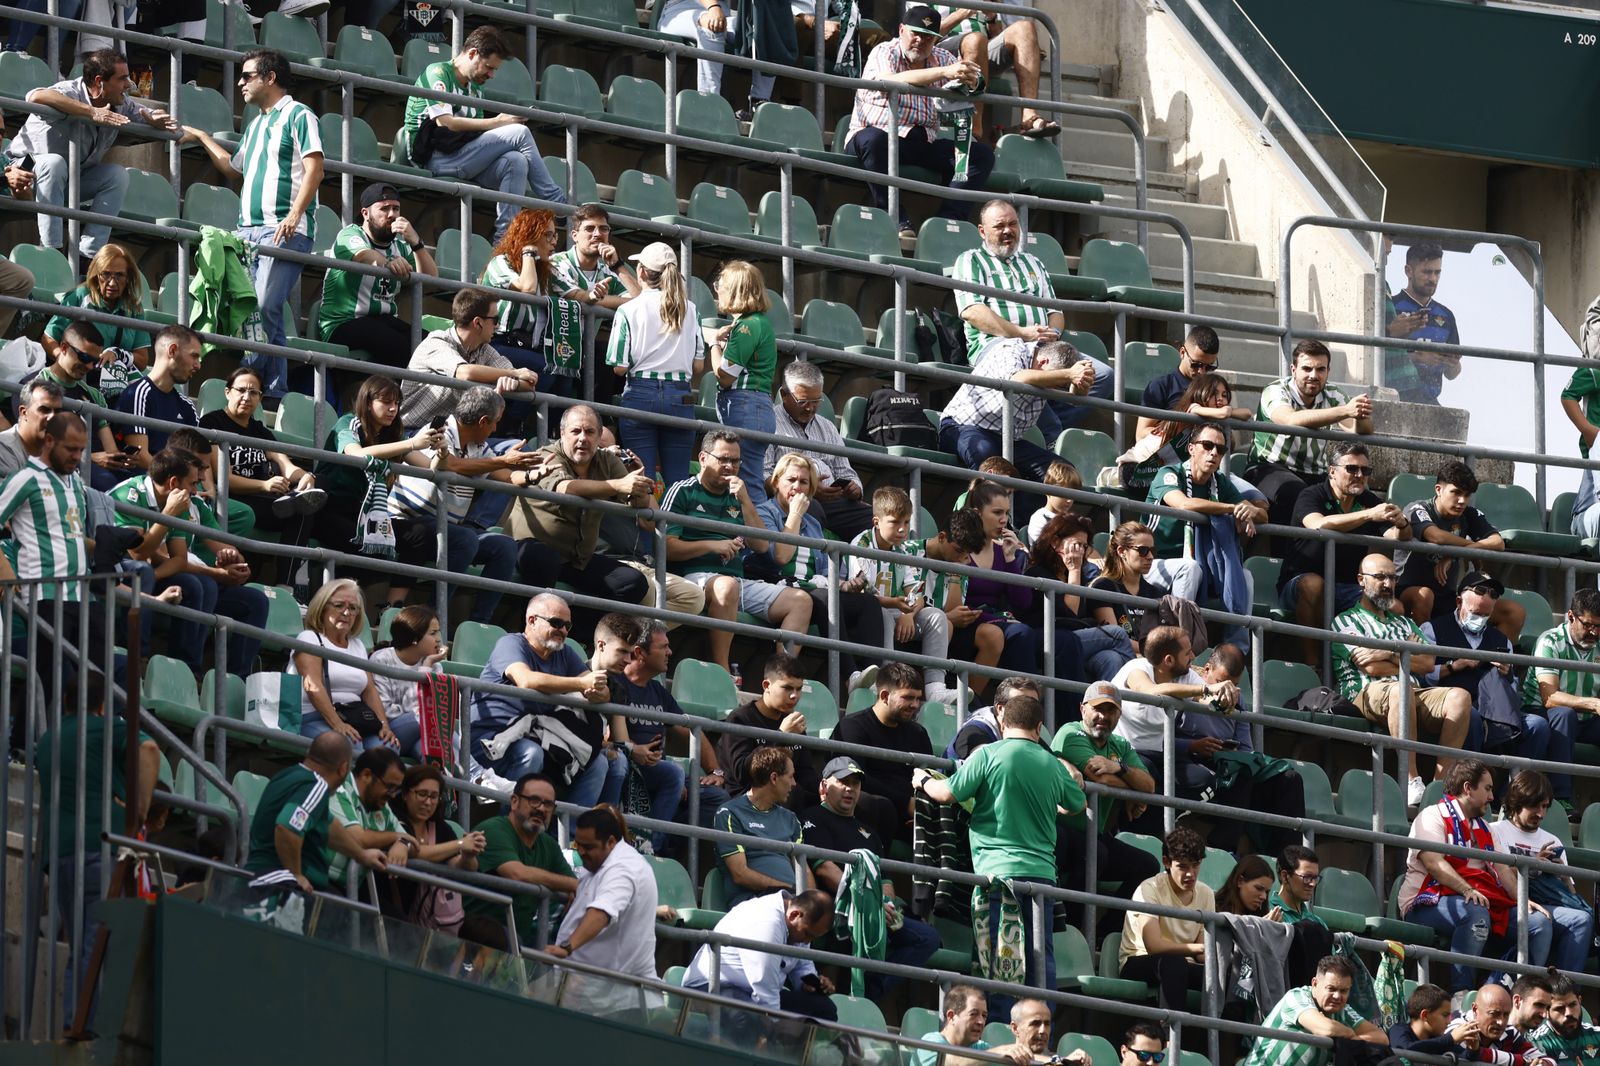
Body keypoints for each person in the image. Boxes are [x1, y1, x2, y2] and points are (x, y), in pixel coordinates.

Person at [916, 693, 1084, 1007]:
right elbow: (1077, 803)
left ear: (1001, 720)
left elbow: (946, 793)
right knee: (1039, 955)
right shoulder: (1051, 763)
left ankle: (998, 1029)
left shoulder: (988, 755)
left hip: (997, 876)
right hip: (1042, 877)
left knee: (998, 954)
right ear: (1039, 727)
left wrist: (922, 779)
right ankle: (1039, 1027)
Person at [180, 48, 323, 401]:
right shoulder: (256, 122)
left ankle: (259, 382)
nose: (240, 83)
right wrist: (201, 137)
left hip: (284, 228)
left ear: (270, 78)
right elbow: (234, 168)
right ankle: (270, 390)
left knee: (263, 305)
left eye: (247, 76)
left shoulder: (299, 115)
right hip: (248, 232)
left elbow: (315, 169)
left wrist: (294, 214)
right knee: (254, 309)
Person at [34, 671, 159, 1017]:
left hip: (59, 854)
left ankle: (78, 1022)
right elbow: (149, 749)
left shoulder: (49, 738)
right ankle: (88, 1030)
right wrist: (140, 810)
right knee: (99, 945)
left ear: (65, 702)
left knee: (83, 945)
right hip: (100, 847)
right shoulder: (104, 728)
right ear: (102, 705)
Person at [951, 200, 1111, 428]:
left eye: (1013, 224)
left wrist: (1052, 333)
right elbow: (973, 312)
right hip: (997, 348)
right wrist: (1021, 333)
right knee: (1037, 391)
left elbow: (1055, 312)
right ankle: (1048, 431)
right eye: (999, 226)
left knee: (1103, 375)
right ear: (982, 231)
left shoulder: (1033, 262)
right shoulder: (970, 260)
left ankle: (1048, 427)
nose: (1008, 231)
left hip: (1042, 347)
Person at [109, 446, 267, 677]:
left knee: (254, 600)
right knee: (178, 580)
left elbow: (179, 559)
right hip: (115, 570)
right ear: (174, 482)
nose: (197, 490)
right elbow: (138, 556)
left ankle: (235, 680)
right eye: (194, 483)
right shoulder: (129, 495)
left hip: (156, 572)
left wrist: (230, 564)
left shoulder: (181, 501)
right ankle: (160, 664)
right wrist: (168, 515)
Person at [6, 48, 176, 260]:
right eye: (122, 79)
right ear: (99, 81)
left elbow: (147, 115)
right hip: (23, 176)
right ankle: (52, 254)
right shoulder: (70, 90)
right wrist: (91, 112)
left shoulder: (120, 102)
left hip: (69, 181)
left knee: (117, 175)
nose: (128, 85)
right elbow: (36, 95)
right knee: (54, 163)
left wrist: (155, 119)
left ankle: (87, 257)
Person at [400, 25, 566, 241]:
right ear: (472, 54)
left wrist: (499, 128)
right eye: (489, 67)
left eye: (494, 70)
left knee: (516, 161)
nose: (491, 74)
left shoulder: (475, 88)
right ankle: (559, 205)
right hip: (434, 158)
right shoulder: (438, 73)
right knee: (519, 133)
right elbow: (445, 123)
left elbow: (474, 135)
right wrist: (499, 122)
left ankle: (505, 241)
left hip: (463, 157)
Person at [1332, 552, 1472, 804]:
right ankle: (1410, 781)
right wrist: (1405, 652)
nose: (1388, 584)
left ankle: (1441, 786)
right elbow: (1372, 669)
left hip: (1411, 691)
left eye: (1393, 578)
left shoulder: (1406, 624)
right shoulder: (1345, 621)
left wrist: (1387, 650)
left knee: (1460, 697)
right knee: (1400, 689)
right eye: (1380, 577)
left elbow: (1428, 663)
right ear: (1361, 580)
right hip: (1367, 692)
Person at [800, 756, 941, 999]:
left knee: (927, 938)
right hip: (837, 909)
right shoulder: (812, 818)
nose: (849, 789)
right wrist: (869, 902)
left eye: (855, 783)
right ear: (824, 787)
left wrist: (885, 905)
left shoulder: (868, 832)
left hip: (874, 911)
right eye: (843, 782)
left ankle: (872, 989)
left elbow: (885, 880)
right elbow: (825, 869)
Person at [385, 386, 528, 625]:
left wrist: (534, 474)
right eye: (495, 423)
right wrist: (500, 461)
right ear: (483, 421)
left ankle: (481, 624)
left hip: (446, 532)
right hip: (407, 524)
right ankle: (433, 614)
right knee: (466, 539)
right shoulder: (438, 430)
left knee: (505, 547)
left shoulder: (478, 446)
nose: (495, 429)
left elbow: (505, 475)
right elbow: (449, 465)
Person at [845, 7, 994, 233]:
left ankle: (948, 222)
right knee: (873, 140)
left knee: (979, 155)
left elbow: (967, 86)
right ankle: (895, 217)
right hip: (877, 136)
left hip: (923, 141)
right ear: (901, 30)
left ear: (936, 39)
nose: (919, 40)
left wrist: (972, 82)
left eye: (927, 37)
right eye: (914, 33)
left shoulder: (943, 58)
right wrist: (943, 73)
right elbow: (892, 81)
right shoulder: (884, 51)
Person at [467, 593, 620, 805]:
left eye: (568, 626)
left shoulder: (564, 653)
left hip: (538, 736)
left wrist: (598, 690)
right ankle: (513, 828)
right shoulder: (511, 643)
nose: (563, 631)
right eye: (556, 623)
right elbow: (527, 681)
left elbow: (599, 689)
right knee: (532, 753)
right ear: (532, 621)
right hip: (492, 739)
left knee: (599, 765)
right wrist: (582, 684)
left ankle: (571, 836)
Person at [753, 452, 886, 689]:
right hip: (780, 588)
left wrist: (845, 585)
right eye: (791, 480)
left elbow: (825, 571)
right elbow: (779, 558)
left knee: (868, 604)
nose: (797, 487)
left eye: (804, 482)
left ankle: (875, 678)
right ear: (775, 482)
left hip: (816, 590)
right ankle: (851, 676)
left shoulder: (813, 523)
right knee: (827, 598)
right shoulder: (765, 512)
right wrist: (794, 515)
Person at [508, 404, 655, 615]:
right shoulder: (547, 455)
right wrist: (616, 485)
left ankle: (581, 636)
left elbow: (640, 508)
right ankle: (533, 630)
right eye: (576, 431)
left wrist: (639, 490)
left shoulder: (608, 461)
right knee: (543, 557)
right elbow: (565, 489)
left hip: (577, 558)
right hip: (529, 548)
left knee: (633, 583)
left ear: (598, 437)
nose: (583, 438)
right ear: (562, 433)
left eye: (590, 432)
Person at [308, 375, 444, 598]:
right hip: (331, 508)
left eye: (397, 404)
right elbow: (356, 453)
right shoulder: (349, 422)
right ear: (368, 402)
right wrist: (410, 443)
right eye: (386, 402)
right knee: (365, 543)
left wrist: (442, 451)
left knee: (419, 534)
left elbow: (431, 469)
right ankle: (331, 597)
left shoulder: (391, 435)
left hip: (368, 516)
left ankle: (392, 608)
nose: (393, 409)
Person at [1280, 441, 1412, 664]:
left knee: (1395, 607)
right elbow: (1318, 524)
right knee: (1314, 585)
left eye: (1365, 470)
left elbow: (1398, 537)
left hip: (1348, 588)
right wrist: (1368, 515)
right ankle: (1315, 667)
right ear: (1332, 471)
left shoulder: (1367, 501)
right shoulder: (1311, 494)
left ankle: (1389, 670)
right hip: (1298, 585)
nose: (1360, 475)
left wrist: (1402, 523)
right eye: (1352, 469)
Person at [1049, 679, 1161, 935]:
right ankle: (1070, 931)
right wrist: (1130, 789)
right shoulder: (1070, 733)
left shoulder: (1120, 746)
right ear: (1083, 709)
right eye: (1097, 709)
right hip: (1060, 828)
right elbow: (1099, 777)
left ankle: (1104, 935)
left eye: (1110, 711)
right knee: (1096, 852)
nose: (1103, 716)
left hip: (1093, 833)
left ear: (1119, 715)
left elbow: (1149, 786)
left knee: (1148, 867)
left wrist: (1118, 768)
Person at [1398, 759, 1521, 992]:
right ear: (1467, 788)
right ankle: (1461, 996)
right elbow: (1434, 863)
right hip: (1425, 902)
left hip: (1478, 900)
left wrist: (1524, 904)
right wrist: (1468, 890)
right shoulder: (1431, 816)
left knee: (1535, 925)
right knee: (1475, 914)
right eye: (1487, 788)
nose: (1492, 797)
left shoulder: (1485, 827)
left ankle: (1495, 991)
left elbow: (1502, 869)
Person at [607, 617, 730, 852]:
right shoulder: (616, 682)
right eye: (663, 647)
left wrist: (715, 771)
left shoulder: (658, 691)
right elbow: (610, 737)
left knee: (717, 799)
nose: (670, 652)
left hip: (659, 771)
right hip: (629, 765)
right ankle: (648, 848)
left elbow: (691, 731)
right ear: (640, 652)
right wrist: (640, 754)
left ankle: (662, 847)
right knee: (672, 773)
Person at [938, 339, 1097, 510]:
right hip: (962, 427)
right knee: (987, 454)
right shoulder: (1012, 349)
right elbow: (1017, 379)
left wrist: (1082, 380)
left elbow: (1076, 398)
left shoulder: (1051, 369)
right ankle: (985, 521)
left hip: (1006, 440)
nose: (1056, 385)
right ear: (1042, 362)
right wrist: (1067, 375)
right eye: (1058, 381)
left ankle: (1026, 527)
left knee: (1062, 474)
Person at [663, 430, 772, 672]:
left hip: (736, 580)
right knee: (727, 587)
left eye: (735, 461)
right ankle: (721, 670)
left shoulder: (738, 496)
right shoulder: (683, 490)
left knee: (799, 602)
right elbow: (665, 547)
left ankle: (782, 672)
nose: (729, 466)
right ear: (703, 458)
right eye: (723, 459)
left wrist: (745, 501)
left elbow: (762, 545)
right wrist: (712, 545)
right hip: (691, 576)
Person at [1143, 421, 1264, 636]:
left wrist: (1251, 512)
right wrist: (1231, 508)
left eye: (1220, 449)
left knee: (1246, 578)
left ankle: (1236, 647)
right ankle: (1179, 639)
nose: (1214, 453)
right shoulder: (1169, 473)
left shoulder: (1219, 483)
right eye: (1207, 446)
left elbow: (1261, 514)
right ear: (1191, 448)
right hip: (1152, 562)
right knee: (1189, 568)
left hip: (1204, 565)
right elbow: (1183, 503)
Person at [1245, 340, 1375, 539]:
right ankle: (1290, 560)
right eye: (1307, 368)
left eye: (1320, 369)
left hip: (1316, 473)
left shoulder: (1333, 394)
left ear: (1328, 371)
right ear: (1293, 369)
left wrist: (1361, 414)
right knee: (1298, 493)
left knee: (1362, 495)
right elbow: (1290, 419)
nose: (1314, 375)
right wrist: (1345, 410)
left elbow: (1360, 430)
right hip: (1268, 467)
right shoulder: (1275, 390)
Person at [244, 733, 388, 904]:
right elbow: (287, 827)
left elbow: (328, 824)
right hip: (279, 887)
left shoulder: (286, 775)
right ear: (343, 768)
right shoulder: (317, 786)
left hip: (260, 879)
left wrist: (361, 854)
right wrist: (295, 874)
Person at [1423, 571, 1552, 764]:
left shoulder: (1501, 641)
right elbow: (1422, 675)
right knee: (1471, 716)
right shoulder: (1432, 629)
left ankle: (1514, 790)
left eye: (1486, 615)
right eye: (1476, 614)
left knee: (1538, 725)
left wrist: (1507, 674)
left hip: (1493, 707)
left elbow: (1513, 689)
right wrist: (1454, 666)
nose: (1480, 619)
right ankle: (1471, 779)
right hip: (1450, 704)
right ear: (1459, 603)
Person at [848, 485, 960, 705]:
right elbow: (864, 593)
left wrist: (909, 613)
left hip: (897, 610)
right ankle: (885, 681)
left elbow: (915, 592)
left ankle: (936, 688)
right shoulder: (861, 545)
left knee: (937, 616)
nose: (902, 529)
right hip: (868, 612)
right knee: (882, 613)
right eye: (895, 522)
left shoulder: (902, 550)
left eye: (906, 522)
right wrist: (898, 606)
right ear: (876, 522)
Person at [607, 241, 703, 488]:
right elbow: (699, 367)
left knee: (641, 477)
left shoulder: (628, 309)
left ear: (640, 272)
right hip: (681, 395)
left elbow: (618, 366)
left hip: (641, 393)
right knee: (679, 481)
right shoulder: (691, 310)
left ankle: (645, 528)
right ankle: (675, 527)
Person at [199, 366, 324, 547]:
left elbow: (285, 465)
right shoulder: (212, 422)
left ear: (260, 398)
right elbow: (224, 478)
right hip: (237, 498)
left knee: (316, 487)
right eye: (241, 390)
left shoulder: (260, 430)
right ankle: (290, 575)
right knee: (302, 513)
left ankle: (290, 574)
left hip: (264, 498)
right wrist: (264, 485)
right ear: (228, 392)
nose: (246, 397)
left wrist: (306, 476)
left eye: (253, 393)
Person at [1395, 461, 1523, 638]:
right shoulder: (1417, 508)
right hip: (1407, 593)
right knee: (1425, 595)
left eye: (1467, 495)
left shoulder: (1469, 514)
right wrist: (1464, 553)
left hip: (1447, 597)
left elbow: (1497, 542)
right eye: (1456, 493)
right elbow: (1436, 536)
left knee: (1513, 612)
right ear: (1438, 490)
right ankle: (1425, 657)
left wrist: (1454, 555)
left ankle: (1490, 663)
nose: (1462, 501)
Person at [318, 183, 438, 364]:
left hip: (384, 321)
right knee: (398, 344)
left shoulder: (400, 246)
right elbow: (364, 256)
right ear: (366, 213)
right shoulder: (350, 234)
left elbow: (431, 279)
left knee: (433, 344)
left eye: (396, 209)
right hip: (343, 324)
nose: (392, 214)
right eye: (384, 208)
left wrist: (416, 243)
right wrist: (389, 263)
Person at [1490, 770, 1595, 976]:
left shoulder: (1553, 840)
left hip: (1547, 905)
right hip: (1509, 904)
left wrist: (1563, 876)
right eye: (1534, 806)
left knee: (1582, 919)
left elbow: (1570, 896)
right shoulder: (1495, 830)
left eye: (1545, 806)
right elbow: (1495, 876)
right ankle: (1529, 987)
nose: (1541, 813)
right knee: (1541, 921)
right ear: (1516, 802)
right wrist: (1533, 865)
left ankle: (1565, 992)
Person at [545, 805, 659, 994]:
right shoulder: (599, 864)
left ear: (611, 842)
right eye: (577, 845)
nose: (581, 852)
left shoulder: (624, 868)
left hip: (614, 1000)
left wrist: (567, 947)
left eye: (588, 847)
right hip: (588, 990)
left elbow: (601, 913)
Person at [681, 888, 839, 1022]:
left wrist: (810, 983)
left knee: (824, 1010)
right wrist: (773, 1027)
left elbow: (802, 966)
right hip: (711, 989)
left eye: (813, 938)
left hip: (751, 993)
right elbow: (764, 986)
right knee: (747, 1020)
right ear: (794, 915)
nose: (807, 941)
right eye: (807, 934)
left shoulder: (798, 922)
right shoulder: (767, 923)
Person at [461, 773, 579, 950]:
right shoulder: (493, 829)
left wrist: (574, 887)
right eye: (534, 800)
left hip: (515, 942)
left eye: (548, 804)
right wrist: (571, 885)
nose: (541, 809)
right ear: (514, 801)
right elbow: (517, 874)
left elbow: (575, 885)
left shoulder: (548, 845)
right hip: (473, 936)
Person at [1109, 625, 1239, 782]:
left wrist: (1222, 699)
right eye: (1187, 653)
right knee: (1150, 777)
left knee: (1206, 781)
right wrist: (1207, 689)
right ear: (1169, 660)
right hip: (1124, 752)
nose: (1193, 655)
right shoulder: (1136, 668)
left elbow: (1206, 700)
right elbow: (1150, 691)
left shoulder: (1186, 674)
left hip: (1161, 755)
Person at [289, 578, 404, 751]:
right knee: (349, 745)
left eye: (352, 608)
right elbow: (312, 685)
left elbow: (369, 689)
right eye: (339, 605)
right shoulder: (309, 638)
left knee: (386, 749)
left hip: (354, 717)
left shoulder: (357, 645)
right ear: (322, 607)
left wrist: (384, 725)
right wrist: (336, 723)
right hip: (313, 717)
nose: (346, 612)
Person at [399, 287, 538, 429]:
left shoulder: (484, 350)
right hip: (412, 432)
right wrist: (512, 374)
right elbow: (465, 373)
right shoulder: (437, 341)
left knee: (520, 448)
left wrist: (513, 382)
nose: (497, 326)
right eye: (495, 320)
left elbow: (529, 383)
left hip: (451, 438)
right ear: (478, 322)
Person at [766, 360, 871, 539]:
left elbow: (846, 471)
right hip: (793, 498)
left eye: (816, 401)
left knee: (878, 518)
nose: (810, 408)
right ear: (784, 395)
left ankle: (867, 567)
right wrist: (809, 489)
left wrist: (855, 489)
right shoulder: (770, 422)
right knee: (811, 508)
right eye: (803, 401)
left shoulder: (828, 427)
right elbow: (764, 475)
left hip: (835, 501)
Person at [831, 662, 934, 844]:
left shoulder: (918, 733)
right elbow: (856, 778)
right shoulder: (852, 726)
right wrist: (905, 804)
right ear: (885, 696)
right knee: (878, 806)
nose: (915, 705)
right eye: (908, 698)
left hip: (910, 812)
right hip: (870, 809)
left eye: (918, 699)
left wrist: (920, 810)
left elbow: (928, 777)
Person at [707, 260, 779, 509]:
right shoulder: (759, 322)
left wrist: (713, 343)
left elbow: (724, 375)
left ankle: (761, 543)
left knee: (746, 483)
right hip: (757, 408)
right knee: (747, 480)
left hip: (746, 407)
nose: (718, 289)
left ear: (736, 290)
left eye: (721, 284)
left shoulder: (747, 325)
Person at [1117, 826, 1214, 1010]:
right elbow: (1153, 946)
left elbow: (1202, 956)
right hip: (1138, 960)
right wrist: (1197, 948)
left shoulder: (1206, 893)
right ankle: (1171, 1035)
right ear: (1167, 862)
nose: (1190, 874)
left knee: (1224, 976)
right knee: (1173, 964)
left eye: (1196, 865)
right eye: (1183, 866)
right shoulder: (1149, 889)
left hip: (1184, 964)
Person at [42, 243, 153, 400]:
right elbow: (48, 338)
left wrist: (118, 354)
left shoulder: (134, 306)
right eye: (106, 274)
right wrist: (65, 359)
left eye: (119, 275)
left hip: (116, 386)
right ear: (96, 274)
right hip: (80, 379)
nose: (112, 283)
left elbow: (142, 360)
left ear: (128, 277)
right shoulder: (80, 296)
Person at [1520, 586, 1600, 805]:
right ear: (1571, 616)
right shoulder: (1550, 641)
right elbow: (1550, 698)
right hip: (1543, 713)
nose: (1594, 632)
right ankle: (1561, 797)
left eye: (1599, 626)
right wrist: (1593, 704)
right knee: (1565, 714)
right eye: (1588, 625)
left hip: (1586, 718)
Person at [383, 763, 486, 931]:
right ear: (405, 794)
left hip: (423, 917)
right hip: (387, 904)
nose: (428, 802)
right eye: (421, 794)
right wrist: (459, 844)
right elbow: (417, 852)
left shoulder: (439, 827)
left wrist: (469, 854)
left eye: (434, 796)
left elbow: (462, 866)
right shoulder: (394, 817)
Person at [920, 509, 1007, 701]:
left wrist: (956, 574)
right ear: (942, 537)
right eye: (959, 550)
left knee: (993, 636)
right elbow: (908, 603)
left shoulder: (961, 561)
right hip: (915, 624)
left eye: (967, 554)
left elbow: (953, 610)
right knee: (946, 623)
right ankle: (934, 692)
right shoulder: (910, 552)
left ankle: (969, 701)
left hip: (947, 626)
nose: (962, 557)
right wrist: (949, 617)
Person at [958, 483, 1042, 675]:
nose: (1003, 520)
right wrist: (997, 619)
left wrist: (1010, 558)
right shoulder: (959, 549)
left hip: (996, 623)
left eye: (1006, 513)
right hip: (965, 625)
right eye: (997, 513)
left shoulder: (1002, 551)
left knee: (1062, 641)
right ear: (977, 513)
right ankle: (1021, 697)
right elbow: (956, 602)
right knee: (1021, 633)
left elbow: (1022, 602)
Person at [1242, 956, 1388, 1066]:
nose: (1337, 996)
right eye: (1331, 989)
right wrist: (1350, 1033)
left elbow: (1381, 1038)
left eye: (1344, 991)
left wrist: (1352, 1039)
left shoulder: (1343, 1010)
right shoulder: (1296, 996)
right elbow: (1326, 1028)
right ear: (1315, 984)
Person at [932, 5, 1051, 139]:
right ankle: (973, 126)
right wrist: (959, 15)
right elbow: (919, 34)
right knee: (975, 40)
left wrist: (992, 18)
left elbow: (996, 33)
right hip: (941, 52)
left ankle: (1029, 115)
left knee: (1025, 28)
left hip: (982, 50)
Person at [714, 747, 812, 907]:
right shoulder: (729, 813)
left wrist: (808, 902)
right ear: (774, 778)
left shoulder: (790, 819)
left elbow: (804, 870)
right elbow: (740, 874)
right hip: (754, 903)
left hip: (792, 905)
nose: (794, 784)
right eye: (791, 776)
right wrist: (788, 891)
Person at [477, 206, 561, 388]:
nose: (554, 242)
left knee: (565, 373)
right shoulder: (500, 262)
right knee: (547, 368)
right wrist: (528, 251)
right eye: (548, 235)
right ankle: (512, 418)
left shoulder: (542, 271)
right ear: (530, 235)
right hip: (494, 342)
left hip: (525, 343)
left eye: (555, 235)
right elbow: (527, 287)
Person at [325, 747, 414, 889]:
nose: (392, 795)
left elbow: (413, 845)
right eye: (390, 786)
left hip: (349, 887)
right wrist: (397, 836)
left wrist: (402, 843)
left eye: (397, 789)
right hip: (320, 879)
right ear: (366, 775)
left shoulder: (379, 803)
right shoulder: (340, 789)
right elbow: (358, 839)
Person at [114, 324, 200, 469]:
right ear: (172, 350)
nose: (198, 366)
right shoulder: (137, 394)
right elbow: (139, 456)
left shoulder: (187, 406)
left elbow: (196, 459)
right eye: (194, 356)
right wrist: (177, 481)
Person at [368, 605, 449, 760]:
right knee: (431, 717)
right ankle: (477, 773)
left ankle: (477, 776)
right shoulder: (381, 659)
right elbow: (385, 710)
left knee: (436, 754)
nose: (439, 638)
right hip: (389, 729)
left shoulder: (434, 665)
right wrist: (412, 713)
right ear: (414, 638)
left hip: (423, 732)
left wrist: (427, 665)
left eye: (438, 631)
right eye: (433, 633)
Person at [1387, 243, 1461, 406]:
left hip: (1429, 401)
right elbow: (1375, 358)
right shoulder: (1391, 307)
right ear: (1409, 271)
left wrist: (1452, 364)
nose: (1433, 279)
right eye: (1427, 272)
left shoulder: (1446, 316)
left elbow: (1452, 374)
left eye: (1437, 272)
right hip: (1393, 397)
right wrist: (1418, 357)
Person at [1086, 521, 1165, 656]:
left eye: (1152, 551)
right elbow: (1115, 638)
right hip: (1119, 656)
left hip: (1150, 660)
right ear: (1122, 551)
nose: (1150, 557)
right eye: (1143, 551)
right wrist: (1156, 653)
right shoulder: (1103, 586)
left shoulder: (1156, 592)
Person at [906, 983, 1033, 1066]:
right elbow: (953, 1063)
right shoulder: (930, 1042)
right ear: (951, 1017)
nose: (981, 1022)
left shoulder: (980, 1048)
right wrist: (999, 1051)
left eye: (984, 1016)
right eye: (973, 1014)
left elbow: (1025, 1059)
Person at [550, 203, 641, 312]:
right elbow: (579, 297)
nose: (597, 234)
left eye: (603, 228)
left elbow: (643, 302)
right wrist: (633, 302)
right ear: (575, 235)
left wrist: (617, 266)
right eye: (589, 228)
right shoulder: (556, 263)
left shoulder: (609, 272)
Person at [1136, 326, 1222, 439]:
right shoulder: (1161, 386)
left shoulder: (1216, 390)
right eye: (1196, 364)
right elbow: (1141, 434)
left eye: (1210, 367)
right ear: (1182, 353)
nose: (1202, 372)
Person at [1453, 983, 1557, 1066]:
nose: (1501, 1022)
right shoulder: (1458, 1026)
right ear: (1475, 1009)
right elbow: (1470, 1055)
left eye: (1506, 1014)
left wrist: (1542, 1064)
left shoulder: (1510, 1032)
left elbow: (1549, 1061)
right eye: (1494, 1014)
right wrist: (1523, 1062)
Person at [1387, 983, 1478, 1060]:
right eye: (1445, 1015)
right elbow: (1404, 1049)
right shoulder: (1398, 1030)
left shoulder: (1438, 1040)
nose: (1449, 1021)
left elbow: (1463, 1058)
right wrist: (1451, 1039)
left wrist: (1472, 1050)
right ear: (1425, 1015)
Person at [0, 379, 65, 479]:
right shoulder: (3, 447)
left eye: (57, 412)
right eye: (44, 410)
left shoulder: (57, 452)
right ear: (24, 412)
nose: (52, 417)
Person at [1530, 975, 1600, 1064]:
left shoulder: (1597, 1035)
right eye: (1559, 1008)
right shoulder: (1538, 1042)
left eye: (1572, 1005)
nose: (1569, 1013)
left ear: (1579, 1001)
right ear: (1546, 1011)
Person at [1024, 460, 1084, 543]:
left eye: (1073, 495)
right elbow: (1043, 550)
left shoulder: (1073, 520)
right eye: (1064, 494)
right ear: (1048, 490)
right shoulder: (1039, 518)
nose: (1069, 500)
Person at [1269, 846, 1327, 928]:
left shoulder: (1318, 922)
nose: (1313, 884)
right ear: (1285, 876)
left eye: (1315, 878)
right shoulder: (1267, 913)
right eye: (1307, 877)